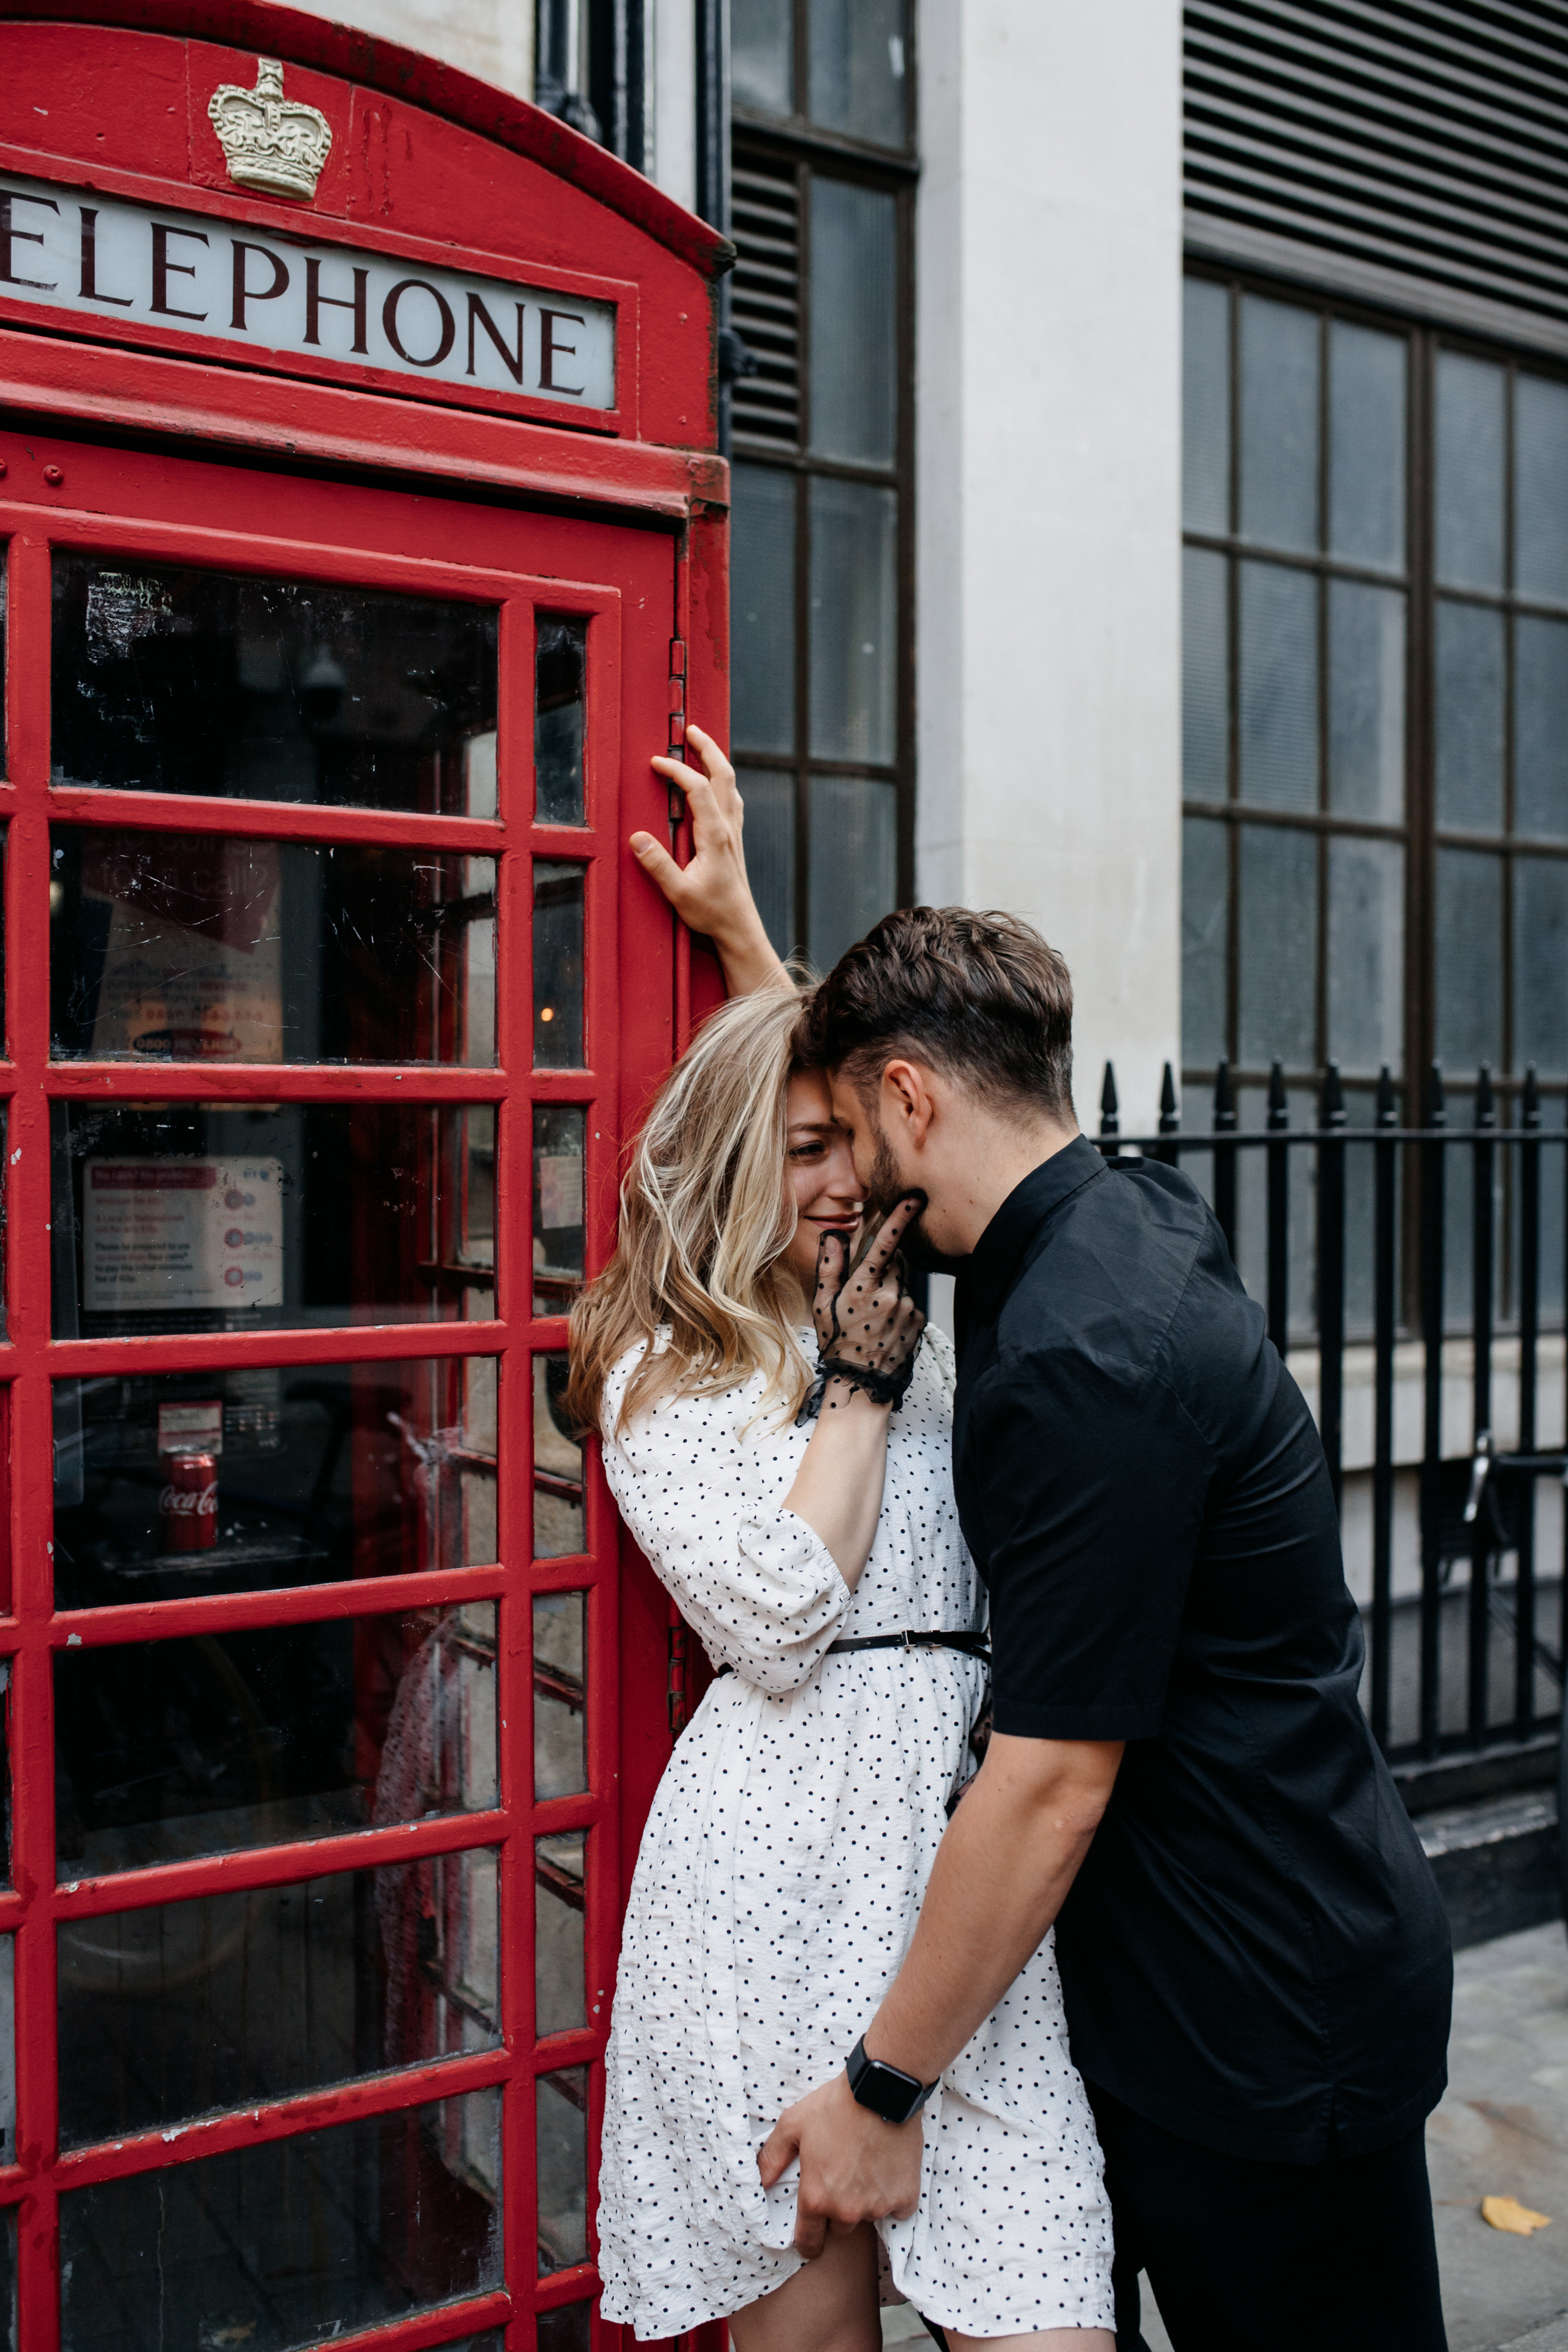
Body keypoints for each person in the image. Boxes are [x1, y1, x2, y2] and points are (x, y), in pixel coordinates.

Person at [744, 900, 1454, 2352]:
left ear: (909, 1095)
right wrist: (743, 943)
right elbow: (865, 1087)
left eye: (851, 1135)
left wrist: (881, 2092)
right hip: (1168, 1987)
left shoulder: (1087, 1361)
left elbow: (1053, 1782)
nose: (840, 1183)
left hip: (1259, 2021)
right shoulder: (1113, 1213)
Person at [567, 730, 1117, 2350]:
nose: (841, 1180)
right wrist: (861, 1396)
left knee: (1048, 2309)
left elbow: (867, 1076)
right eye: (798, 1156)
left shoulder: (905, 1289)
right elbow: (780, 1619)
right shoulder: (669, 1369)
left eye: (849, 1151)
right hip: (768, 1890)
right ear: (739, 1161)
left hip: (953, 1903)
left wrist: (744, 926)